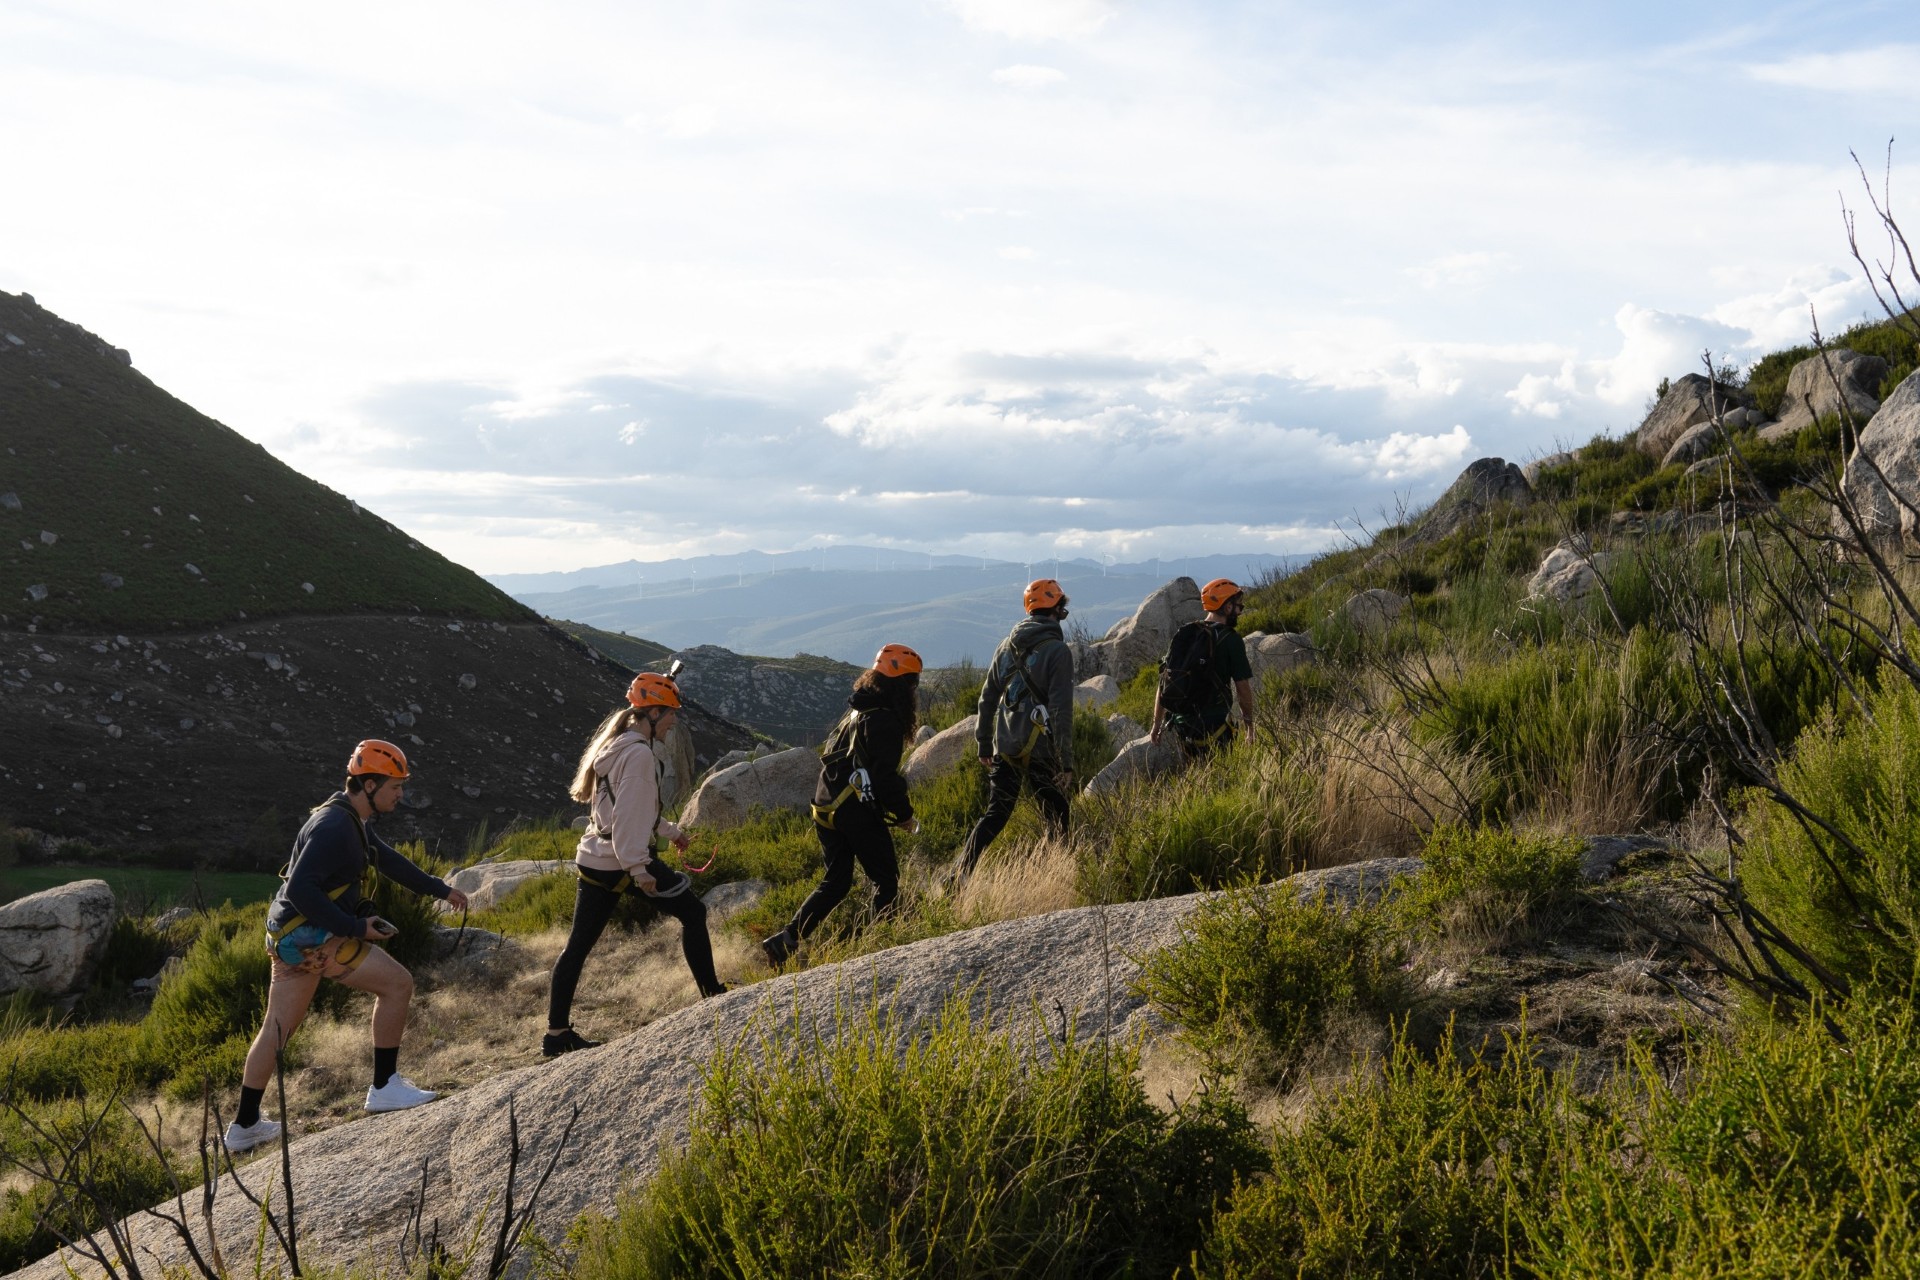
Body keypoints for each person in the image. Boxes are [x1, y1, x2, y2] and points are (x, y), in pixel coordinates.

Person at [224, 739, 470, 1154]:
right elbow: (302, 888)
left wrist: (441, 890)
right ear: (369, 784)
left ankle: (244, 1125)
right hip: (313, 937)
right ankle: (385, 1086)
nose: (401, 794)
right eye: (395, 786)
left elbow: (388, 860)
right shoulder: (335, 826)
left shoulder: (345, 818)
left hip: (288, 937)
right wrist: (354, 927)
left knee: (277, 1029)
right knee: (397, 985)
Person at [542, 671, 727, 1058]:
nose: (675, 721)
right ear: (654, 713)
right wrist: (639, 869)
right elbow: (629, 820)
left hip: (594, 858)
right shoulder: (641, 754)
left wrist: (671, 832)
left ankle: (556, 1035)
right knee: (694, 913)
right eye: (671, 714)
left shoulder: (617, 746)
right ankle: (713, 997)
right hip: (622, 861)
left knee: (576, 948)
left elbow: (628, 809)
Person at [762, 644, 923, 966]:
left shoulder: (857, 710)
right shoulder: (885, 721)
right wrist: (905, 815)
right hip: (854, 811)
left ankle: (786, 939)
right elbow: (884, 779)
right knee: (886, 880)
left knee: (835, 882)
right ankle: (883, 951)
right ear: (903, 685)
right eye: (913, 683)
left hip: (825, 804)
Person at [952, 579, 1077, 881]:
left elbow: (987, 698)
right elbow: (1061, 710)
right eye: (1062, 605)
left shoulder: (1005, 646)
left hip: (1005, 745)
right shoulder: (1058, 651)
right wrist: (1066, 761)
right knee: (1057, 813)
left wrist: (984, 744)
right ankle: (1056, 877)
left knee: (995, 815)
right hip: (1040, 748)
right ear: (1056, 610)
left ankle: (958, 875)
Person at [1150, 577, 1257, 754]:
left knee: (1195, 778)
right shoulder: (1231, 639)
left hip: (1182, 727)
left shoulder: (1185, 633)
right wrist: (1250, 727)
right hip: (1216, 727)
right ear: (1228, 607)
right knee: (1221, 779)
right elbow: (1243, 688)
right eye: (1239, 606)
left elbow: (1165, 681)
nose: (1239, 612)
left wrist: (1156, 724)